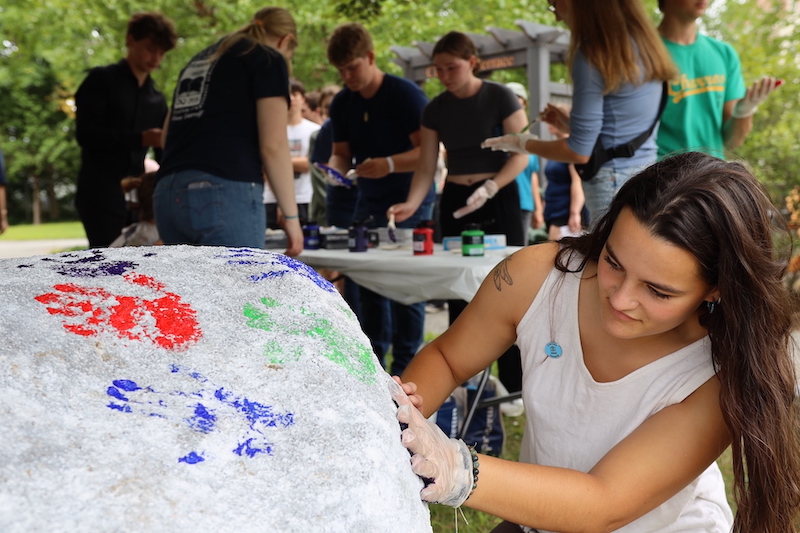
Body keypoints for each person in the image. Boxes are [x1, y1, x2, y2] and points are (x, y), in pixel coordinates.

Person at [393, 151, 800, 533]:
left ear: (715, 289)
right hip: (540, 517)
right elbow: (449, 358)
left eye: (658, 291)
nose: (620, 299)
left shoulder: (722, 371)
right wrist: (398, 433)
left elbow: (604, 500)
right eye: (613, 262)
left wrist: (458, 468)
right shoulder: (536, 277)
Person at [388, 31, 528, 398]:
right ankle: (462, 381)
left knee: (510, 282)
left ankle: (514, 384)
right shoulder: (435, 109)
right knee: (458, 286)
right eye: (439, 70)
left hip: (498, 194)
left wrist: (493, 186)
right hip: (454, 198)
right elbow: (426, 165)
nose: (445, 75)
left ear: (473, 62)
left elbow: (522, 153)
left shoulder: (501, 96)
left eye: (452, 67)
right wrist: (413, 203)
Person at [484, 0, 675, 223]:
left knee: (608, 255)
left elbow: (578, 152)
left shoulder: (595, 53)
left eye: (554, 5)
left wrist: (522, 143)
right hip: (645, 174)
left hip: (611, 181)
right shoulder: (646, 47)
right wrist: (570, 124)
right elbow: (623, 126)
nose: (556, 16)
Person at [325, 22, 434, 376]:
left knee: (405, 285)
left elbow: (429, 154)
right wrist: (334, 170)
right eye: (341, 71)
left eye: (352, 67)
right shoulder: (343, 102)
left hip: (410, 200)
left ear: (370, 58)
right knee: (367, 281)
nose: (347, 76)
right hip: (367, 201)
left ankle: (406, 365)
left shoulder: (405, 95)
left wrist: (388, 164)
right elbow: (341, 152)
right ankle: (373, 362)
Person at [154, 7, 302, 256]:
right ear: (285, 40)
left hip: (168, 193)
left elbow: (164, 136)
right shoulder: (268, 58)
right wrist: (291, 216)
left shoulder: (200, 60)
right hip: (224, 189)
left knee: (191, 294)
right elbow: (273, 145)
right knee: (241, 292)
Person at [74, 12, 177, 248]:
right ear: (131, 40)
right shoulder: (100, 81)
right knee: (106, 259)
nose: (156, 57)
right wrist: (140, 139)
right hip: (100, 190)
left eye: (162, 52)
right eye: (151, 48)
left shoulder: (157, 99)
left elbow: (162, 149)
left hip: (140, 198)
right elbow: (86, 135)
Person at [656, 0, 782, 159]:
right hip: (660, 174)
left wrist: (744, 110)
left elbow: (732, 142)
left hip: (710, 174)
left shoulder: (724, 53)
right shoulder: (642, 52)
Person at [263, 78, 320, 228]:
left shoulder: (315, 131)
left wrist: (278, 161)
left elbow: (313, 164)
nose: (292, 98)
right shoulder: (269, 131)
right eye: (288, 94)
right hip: (272, 199)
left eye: (295, 94)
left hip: (305, 197)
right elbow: (265, 167)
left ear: (303, 99)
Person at [541, 107, 589, 241]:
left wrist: (574, 213)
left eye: (553, 119)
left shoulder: (572, 148)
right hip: (553, 210)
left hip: (565, 212)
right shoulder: (556, 148)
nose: (549, 124)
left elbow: (577, 181)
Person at [506, 82, 544, 242]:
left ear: (524, 103)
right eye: (509, 98)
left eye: (517, 98)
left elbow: (532, 176)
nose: (513, 101)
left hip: (524, 203)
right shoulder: (497, 133)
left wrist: (538, 209)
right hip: (503, 199)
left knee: (516, 251)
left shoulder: (528, 138)